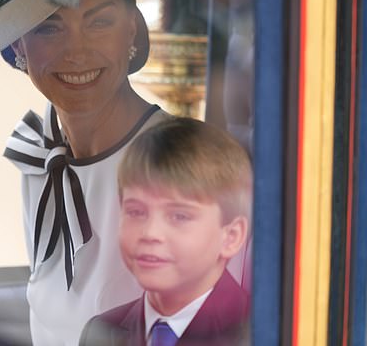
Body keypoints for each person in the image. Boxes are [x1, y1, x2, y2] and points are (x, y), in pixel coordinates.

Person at [0, 0, 168, 345]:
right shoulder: (41, 160)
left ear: (131, 29)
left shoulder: (180, 163)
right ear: (18, 47)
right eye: (49, 27)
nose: (76, 52)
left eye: (99, 22)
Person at [79, 117, 252, 346]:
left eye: (179, 216)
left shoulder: (264, 334)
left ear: (231, 236)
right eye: (136, 212)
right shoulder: (100, 332)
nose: (150, 233)